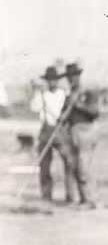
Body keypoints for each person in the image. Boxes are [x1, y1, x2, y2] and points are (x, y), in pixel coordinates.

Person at [29, 65, 73, 202]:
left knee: (69, 161)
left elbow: (68, 112)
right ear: (46, 81)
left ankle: (70, 195)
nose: (52, 82)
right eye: (49, 80)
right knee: (44, 164)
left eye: (54, 79)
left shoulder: (63, 94)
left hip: (60, 130)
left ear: (57, 80)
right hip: (46, 130)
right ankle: (46, 195)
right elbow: (34, 108)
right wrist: (37, 93)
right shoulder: (42, 94)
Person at [63, 62, 100, 208]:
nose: (71, 79)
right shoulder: (70, 94)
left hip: (86, 132)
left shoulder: (87, 92)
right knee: (75, 166)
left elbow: (95, 113)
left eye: (74, 76)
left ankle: (91, 200)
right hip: (72, 132)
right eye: (69, 77)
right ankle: (82, 199)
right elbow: (64, 114)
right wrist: (63, 116)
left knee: (84, 167)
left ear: (78, 76)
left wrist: (77, 105)